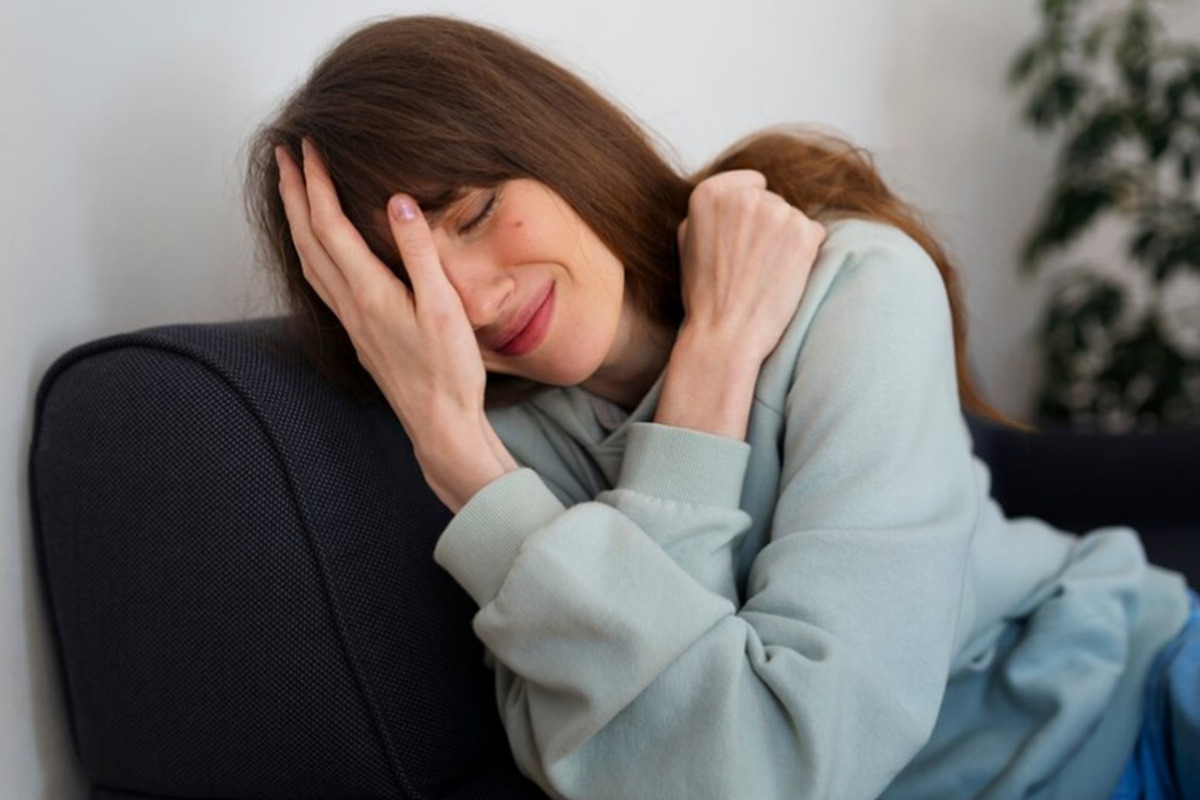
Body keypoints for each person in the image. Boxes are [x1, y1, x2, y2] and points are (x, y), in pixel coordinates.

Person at [245, 14, 1199, 800]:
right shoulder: (497, 460)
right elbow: (724, 776)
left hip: (1134, 696)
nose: (478, 301)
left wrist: (718, 352)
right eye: (413, 287)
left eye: (476, 212)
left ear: (554, 145)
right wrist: (474, 453)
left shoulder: (852, 283)